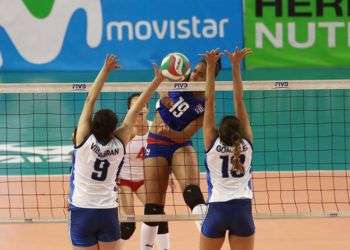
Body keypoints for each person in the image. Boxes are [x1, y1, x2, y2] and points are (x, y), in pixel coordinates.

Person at [68, 54, 164, 250]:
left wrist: (105, 69)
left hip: (82, 210)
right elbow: (136, 109)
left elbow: (90, 98)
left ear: (92, 125)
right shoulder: (120, 143)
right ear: (114, 130)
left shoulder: (83, 140)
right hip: (107, 211)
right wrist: (157, 81)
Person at [141, 55, 222, 249]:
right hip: (156, 142)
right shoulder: (180, 79)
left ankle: (209, 239)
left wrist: (169, 130)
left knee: (193, 194)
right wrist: (162, 89)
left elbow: (184, 134)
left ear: (210, 78)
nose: (195, 75)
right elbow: (163, 95)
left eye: (202, 74)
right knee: (153, 209)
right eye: (195, 71)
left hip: (180, 144)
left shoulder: (206, 104)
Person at [199, 47, 255, 250]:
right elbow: (239, 99)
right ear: (240, 131)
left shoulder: (211, 143)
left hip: (217, 210)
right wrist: (235, 66)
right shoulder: (246, 143)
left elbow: (209, 100)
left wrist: (211, 67)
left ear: (218, 132)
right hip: (242, 210)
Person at [117, 93, 170, 250]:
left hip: (143, 181)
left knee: (159, 215)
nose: (140, 107)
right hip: (123, 181)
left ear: (147, 108)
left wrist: (168, 174)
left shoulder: (154, 127)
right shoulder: (124, 131)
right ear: (129, 110)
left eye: (143, 104)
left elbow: (161, 153)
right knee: (128, 227)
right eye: (135, 105)